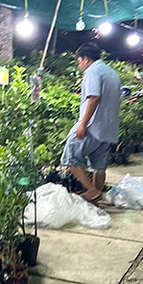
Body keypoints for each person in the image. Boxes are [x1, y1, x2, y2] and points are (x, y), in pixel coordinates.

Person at [61, 43, 121, 203]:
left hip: (93, 127)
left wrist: (82, 124)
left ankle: (92, 191)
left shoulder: (92, 71)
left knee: (70, 157)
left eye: (79, 61)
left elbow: (94, 97)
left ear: (86, 59)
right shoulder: (112, 73)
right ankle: (96, 196)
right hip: (109, 129)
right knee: (98, 166)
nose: (79, 64)